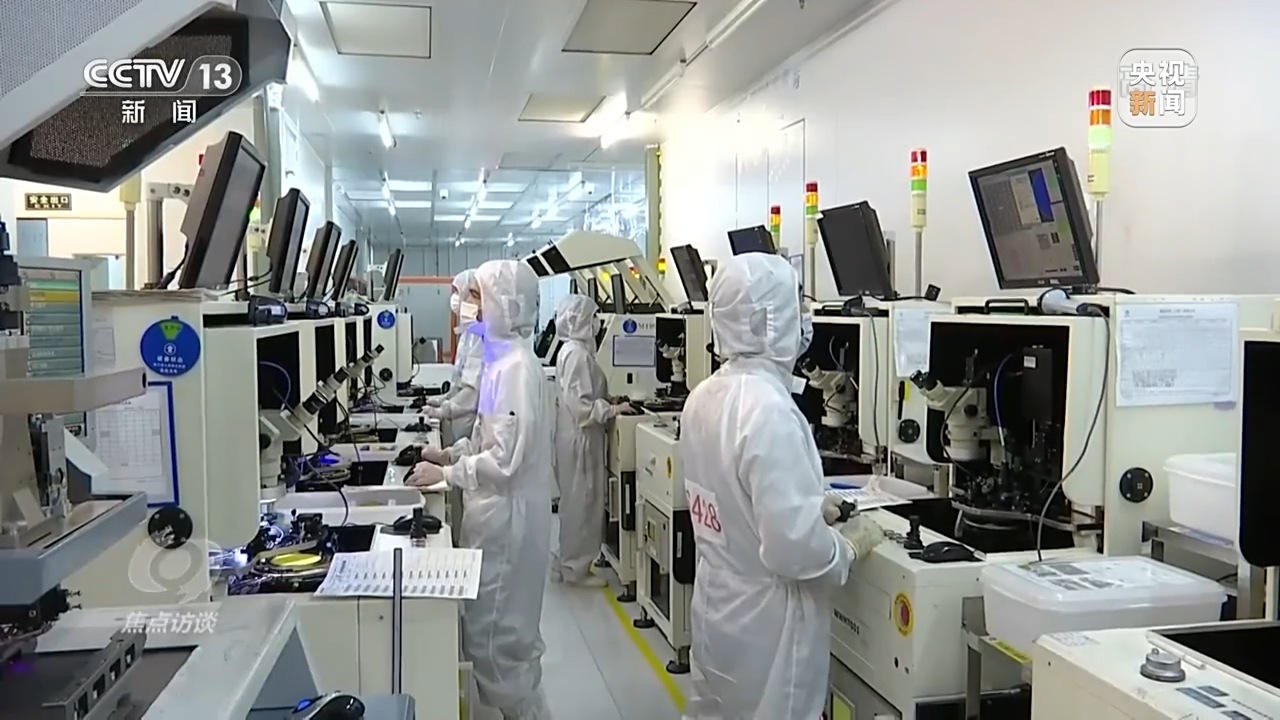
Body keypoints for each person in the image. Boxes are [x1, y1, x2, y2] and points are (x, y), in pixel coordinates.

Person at [678, 252, 886, 720]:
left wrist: (808, 507)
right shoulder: (769, 409)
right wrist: (846, 547)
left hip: (718, 603)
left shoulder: (705, 395)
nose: (805, 316)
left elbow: (731, 501)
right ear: (773, 319)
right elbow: (794, 551)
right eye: (798, 303)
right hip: (768, 624)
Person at [406, 260, 554, 720]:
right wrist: (449, 455)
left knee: (498, 641)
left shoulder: (516, 370)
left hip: (508, 520)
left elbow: (506, 462)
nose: (469, 305)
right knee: (492, 630)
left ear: (504, 304)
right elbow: (485, 436)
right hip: (494, 512)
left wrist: (451, 476)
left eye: (476, 296)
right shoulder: (499, 362)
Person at [550, 294, 635, 587]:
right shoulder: (577, 355)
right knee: (583, 505)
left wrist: (609, 399)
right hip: (581, 439)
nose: (597, 323)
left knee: (574, 504)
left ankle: (566, 562)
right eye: (593, 317)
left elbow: (583, 393)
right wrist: (612, 410)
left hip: (574, 437)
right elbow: (582, 406)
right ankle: (576, 569)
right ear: (580, 321)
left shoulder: (571, 351)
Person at [421, 270, 483, 445]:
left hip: (467, 417)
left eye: (458, 292)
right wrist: (443, 399)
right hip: (457, 415)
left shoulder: (482, 338)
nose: (455, 298)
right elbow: (460, 383)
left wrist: (443, 410)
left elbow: (473, 391)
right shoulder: (468, 333)